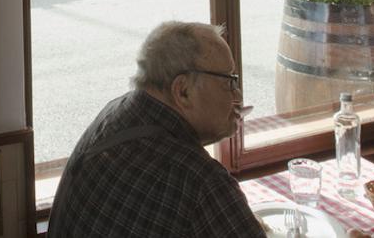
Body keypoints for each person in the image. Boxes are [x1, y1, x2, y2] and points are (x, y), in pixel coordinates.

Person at [47, 21, 263, 238]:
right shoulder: (202, 182)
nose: (238, 96)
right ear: (183, 91)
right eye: (229, 82)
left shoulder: (114, 115)